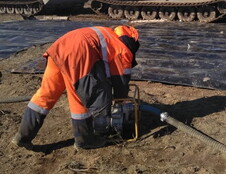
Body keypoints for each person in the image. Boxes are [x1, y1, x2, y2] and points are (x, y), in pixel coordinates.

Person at [12, 25, 140, 150]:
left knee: (45, 95)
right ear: (132, 43)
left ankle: (23, 137)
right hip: (80, 54)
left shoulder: (107, 33)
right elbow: (121, 81)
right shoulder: (123, 49)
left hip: (58, 50)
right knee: (87, 96)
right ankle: (85, 140)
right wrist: (120, 102)